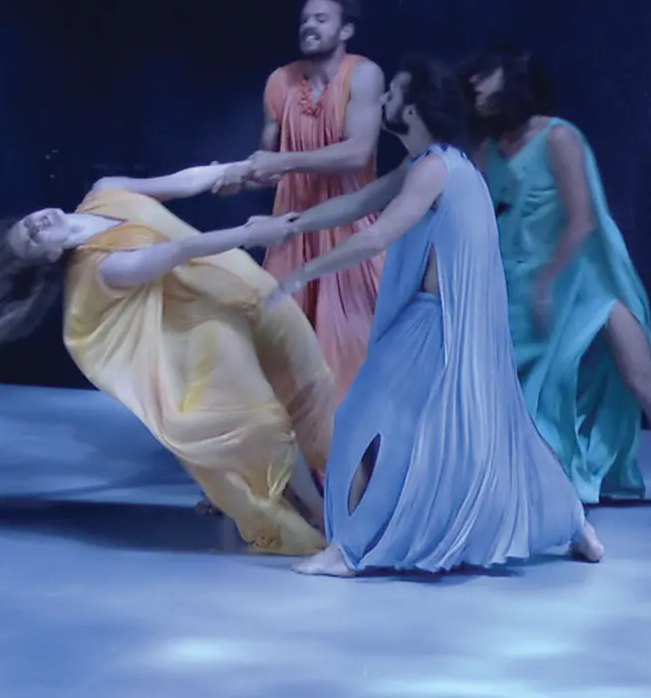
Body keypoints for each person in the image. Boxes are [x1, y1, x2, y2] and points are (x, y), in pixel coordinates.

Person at [254, 55, 604, 577]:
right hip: (431, 321)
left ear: (412, 109)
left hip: (437, 326)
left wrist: (301, 274)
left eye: (392, 93)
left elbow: (375, 234)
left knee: (383, 425)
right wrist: (291, 224)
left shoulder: (438, 168)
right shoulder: (427, 164)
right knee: (497, 435)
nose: (384, 101)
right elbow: (359, 205)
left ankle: (350, 551)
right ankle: (572, 521)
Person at [0, 160, 335, 556]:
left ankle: (319, 478)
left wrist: (234, 169)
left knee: (302, 376)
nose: (37, 224)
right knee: (262, 420)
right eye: (34, 239)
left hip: (241, 286)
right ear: (48, 258)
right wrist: (249, 232)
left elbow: (179, 183)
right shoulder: (102, 269)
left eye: (28, 223)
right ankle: (317, 509)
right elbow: (176, 252)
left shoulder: (105, 193)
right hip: (204, 330)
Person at [462, 46, 651, 518]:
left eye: (485, 76)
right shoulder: (487, 151)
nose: (475, 85)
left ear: (513, 80)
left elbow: (582, 220)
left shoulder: (558, 138)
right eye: (471, 78)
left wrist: (548, 281)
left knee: (641, 380)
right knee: (521, 392)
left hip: (589, 283)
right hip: (525, 286)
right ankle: (526, 491)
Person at [218, 0, 386, 409]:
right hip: (290, 229)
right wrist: (243, 177)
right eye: (305, 18)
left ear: (345, 31)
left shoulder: (363, 74)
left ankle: (351, 468)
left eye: (321, 19)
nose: (309, 25)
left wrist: (283, 164)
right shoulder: (280, 82)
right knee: (281, 348)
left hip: (348, 228)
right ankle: (294, 469)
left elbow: (356, 152)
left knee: (349, 352)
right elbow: (270, 163)